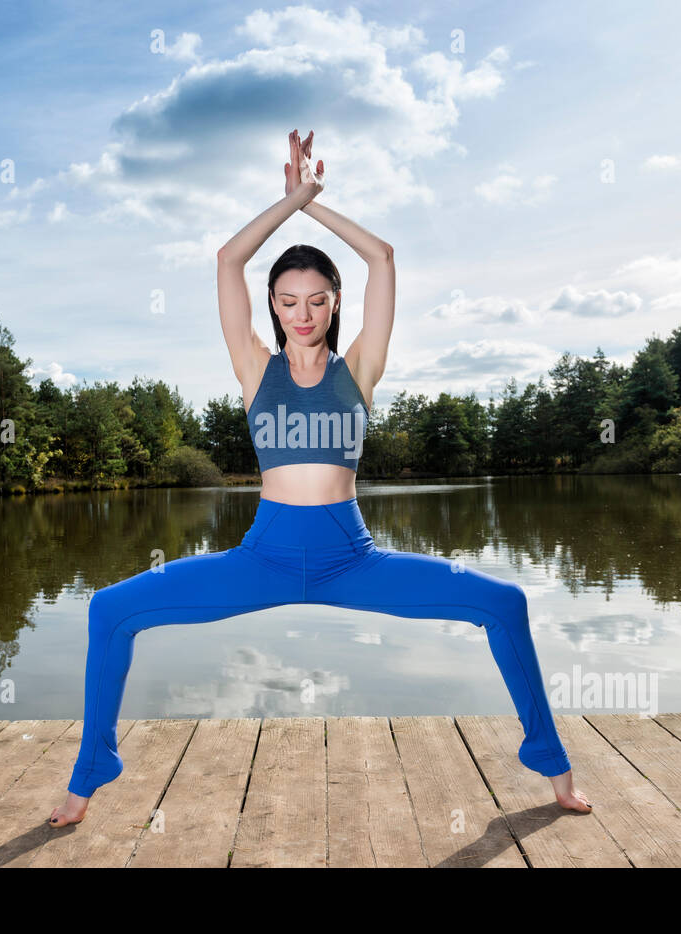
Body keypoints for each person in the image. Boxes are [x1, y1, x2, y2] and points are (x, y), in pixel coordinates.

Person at [50, 129, 591, 827]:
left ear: (335, 301)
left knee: (505, 602)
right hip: (264, 556)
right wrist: (290, 203)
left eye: (315, 298)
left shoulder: (360, 369)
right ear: (272, 305)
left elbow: (384, 256)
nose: (300, 313)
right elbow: (226, 259)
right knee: (109, 610)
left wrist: (318, 208)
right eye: (286, 300)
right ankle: (91, 768)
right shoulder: (255, 370)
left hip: (351, 557)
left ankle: (555, 768)